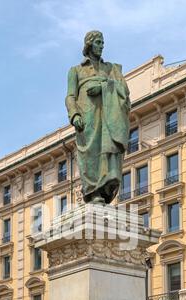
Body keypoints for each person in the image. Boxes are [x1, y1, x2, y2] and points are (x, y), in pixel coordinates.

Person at [66, 31, 130, 204]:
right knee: (90, 154)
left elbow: (123, 90)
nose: (102, 46)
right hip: (87, 119)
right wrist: (75, 115)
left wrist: (102, 88)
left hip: (109, 118)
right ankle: (93, 191)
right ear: (89, 44)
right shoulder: (76, 71)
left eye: (103, 43)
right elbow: (70, 96)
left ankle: (104, 192)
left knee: (107, 152)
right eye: (98, 42)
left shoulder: (110, 69)